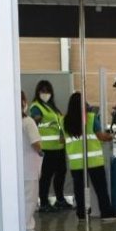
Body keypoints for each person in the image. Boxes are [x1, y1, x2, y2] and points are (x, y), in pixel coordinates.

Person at [64, 92, 116, 223]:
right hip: (93, 161)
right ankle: (106, 213)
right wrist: (111, 136)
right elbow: (101, 136)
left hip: (76, 162)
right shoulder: (91, 118)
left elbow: (61, 139)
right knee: (100, 188)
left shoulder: (63, 120)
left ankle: (81, 215)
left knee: (79, 189)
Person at [30, 79, 71, 212]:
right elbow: (34, 122)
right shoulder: (36, 106)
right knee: (46, 176)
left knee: (61, 173)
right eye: (43, 91)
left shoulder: (52, 107)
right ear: (38, 92)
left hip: (58, 147)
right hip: (46, 148)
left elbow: (58, 124)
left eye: (48, 91)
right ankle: (44, 203)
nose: (45, 93)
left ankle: (60, 200)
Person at [20, 92, 44, 231]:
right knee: (30, 198)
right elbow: (35, 143)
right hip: (29, 166)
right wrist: (41, 152)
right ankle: (27, 228)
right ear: (23, 102)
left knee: (21, 198)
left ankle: (22, 226)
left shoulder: (9, 121)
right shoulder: (28, 121)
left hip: (18, 167)